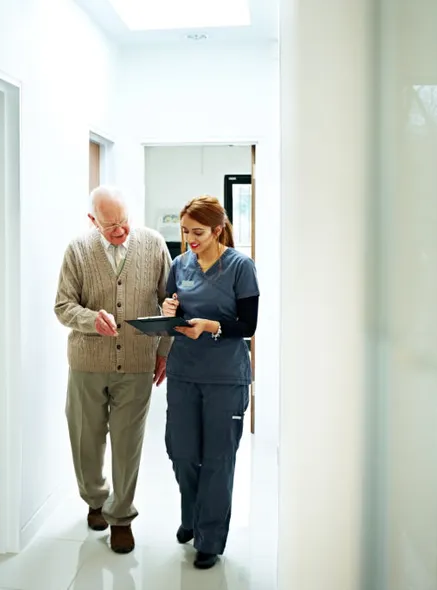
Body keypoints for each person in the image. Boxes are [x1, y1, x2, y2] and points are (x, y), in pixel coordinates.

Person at [53, 185, 172, 554]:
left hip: (137, 362)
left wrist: (164, 350)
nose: (120, 231)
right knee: (86, 438)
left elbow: (171, 302)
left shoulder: (154, 245)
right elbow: (63, 305)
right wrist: (91, 319)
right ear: (92, 220)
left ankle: (121, 517)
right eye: (110, 226)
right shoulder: (77, 250)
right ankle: (94, 500)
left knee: (127, 443)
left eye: (124, 222)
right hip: (87, 364)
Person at [161, 195, 259, 570]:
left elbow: (248, 325)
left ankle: (209, 539)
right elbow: (173, 312)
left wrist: (210, 326)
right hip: (184, 372)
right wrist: (168, 311)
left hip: (225, 377)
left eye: (198, 232)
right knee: (181, 452)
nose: (190, 239)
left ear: (218, 230)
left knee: (218, 459)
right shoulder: (179, 265)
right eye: (185, 231)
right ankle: (193, 515)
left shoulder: (240, 267)